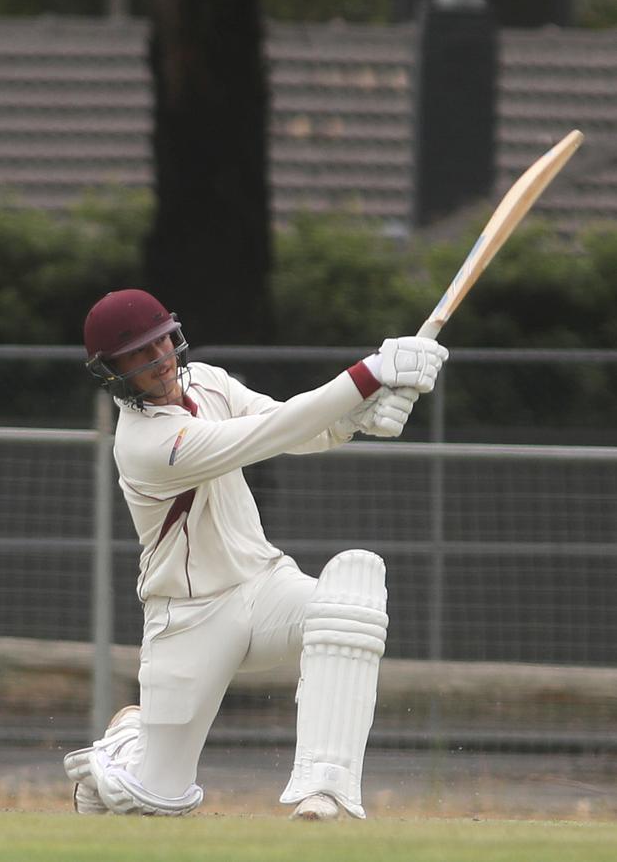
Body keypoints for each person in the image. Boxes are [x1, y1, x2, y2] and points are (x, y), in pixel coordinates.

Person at [64, 288, 448, 820]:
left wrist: (360, 416)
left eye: (161, 345)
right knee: (154, 803)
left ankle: (323, 792)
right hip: (189, 617)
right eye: (138, 357)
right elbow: (268, 435)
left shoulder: (211, 383)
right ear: (114, 373)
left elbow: (302, 426)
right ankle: (123, 749)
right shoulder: (144, 443)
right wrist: (370, 373)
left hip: (264, 585)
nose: (159, 362)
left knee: (351, 593)